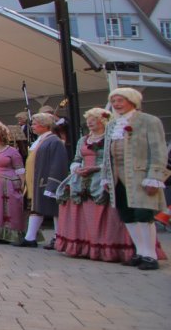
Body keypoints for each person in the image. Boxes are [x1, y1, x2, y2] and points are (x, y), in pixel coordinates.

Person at [54, 107, 166, 263]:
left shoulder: (112, 138)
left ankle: (123, 249)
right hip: (82, 179)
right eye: (88, 120)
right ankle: (87, 246)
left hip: (103, 176)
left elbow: (112, 159)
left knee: (120, 213)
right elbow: (77, 158)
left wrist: (97, 168)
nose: (90, 123)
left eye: (94, 120)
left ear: (103, 121)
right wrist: (76, 168)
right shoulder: (83, 140)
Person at [101, 88, 167, 270]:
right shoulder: (112, 125)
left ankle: (150, 255)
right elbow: (107, 154)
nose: (116, 104)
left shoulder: (149, 121)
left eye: (120, 100)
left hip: (140, 176)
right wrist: (106, 177)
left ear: (132, 100)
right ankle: (140, 251)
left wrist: (155, 176)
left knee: (143, 214)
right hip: (117, 176)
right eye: (114, 101)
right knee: (127, 214)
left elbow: (159, 150)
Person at [20, 113, 69, 248]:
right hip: (36, 181)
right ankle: (30, 238)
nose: (32, 126)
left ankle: (58, 238)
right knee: (36, 208)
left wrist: (53, 183)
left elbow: (58, 164)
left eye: (35, 124)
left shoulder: (54, 141)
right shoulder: (41, 140)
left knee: (55, 209)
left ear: (45, 125)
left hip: (46, 181)